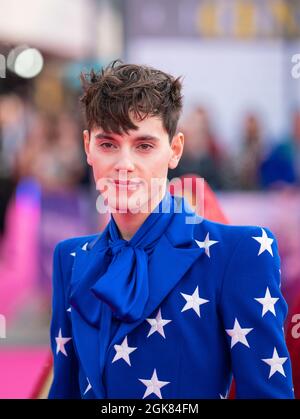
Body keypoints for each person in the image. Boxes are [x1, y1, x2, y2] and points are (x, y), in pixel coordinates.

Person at [48, 61, 294, 399]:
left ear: (175, 149)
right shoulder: (70, 259)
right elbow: (65, 391)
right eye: (108, 144)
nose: (124, 164)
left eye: (144, 146)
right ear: (88, 146)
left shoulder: (239, 252)